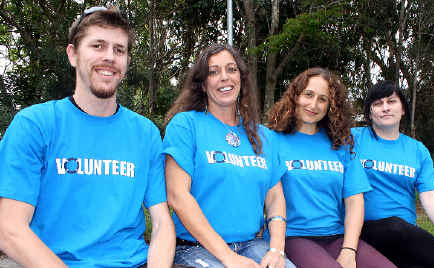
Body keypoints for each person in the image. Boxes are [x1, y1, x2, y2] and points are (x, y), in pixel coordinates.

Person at [0, 6, 175, 268]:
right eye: (98, 46)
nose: (110, 57)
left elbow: (161, 223)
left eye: (119, 50)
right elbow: (10, 229)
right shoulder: (34, 125)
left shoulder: (145, 133)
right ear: (72, 54)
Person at [163, 43, 295, 268]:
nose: (224, 77)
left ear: (241, 79)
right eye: (213, 72)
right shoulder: (186, 125)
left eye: (231, 69)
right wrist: (228, 257)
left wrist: (277, 249)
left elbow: (275, 198)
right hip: (195, 247)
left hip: (252, 245)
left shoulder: (263, 136)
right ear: (203, 85)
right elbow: (178, 196)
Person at [266, 67, 396, 268]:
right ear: (295, 97)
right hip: (293, 236)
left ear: (330, 106)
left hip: (336, 236)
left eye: (322, 99)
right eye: (308, 95)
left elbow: (354, 201)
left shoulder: (340, 144)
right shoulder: (272, 140)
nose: (313, 104)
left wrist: (349, 250)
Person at [352, 80, 434, 268]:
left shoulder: (418, 150)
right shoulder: (353, 139)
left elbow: (429, 196)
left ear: (403, 109)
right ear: (370, 113)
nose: (385, 108)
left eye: (391, 101)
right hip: (363, 233)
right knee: (395, 226)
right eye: (378, 104)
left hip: (405, 237)